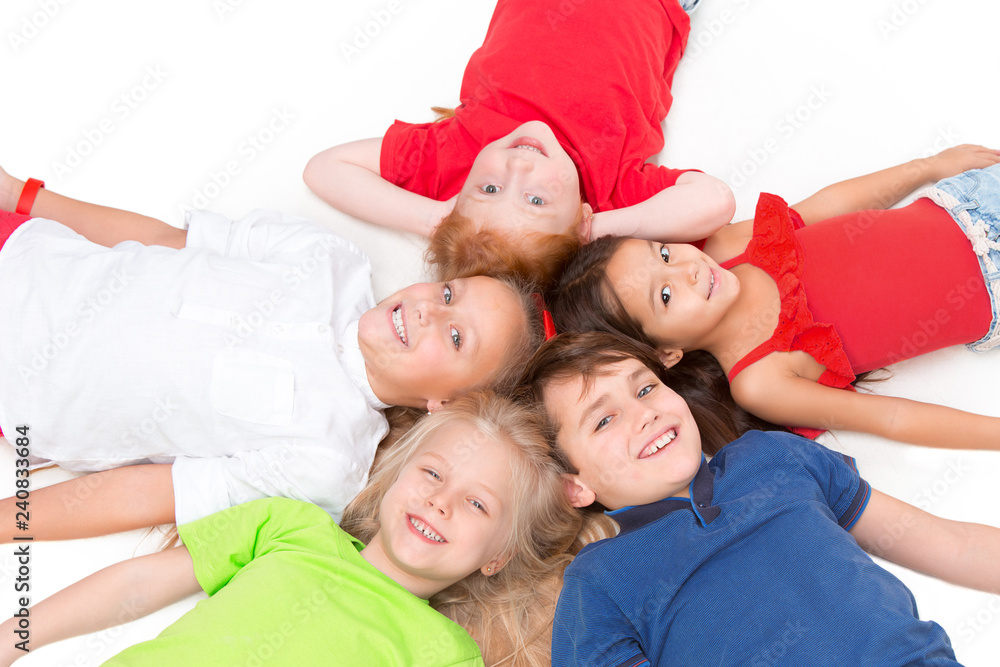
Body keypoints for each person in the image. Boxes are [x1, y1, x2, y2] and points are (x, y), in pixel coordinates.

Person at [0, 168, 543, 541]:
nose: (431, 310)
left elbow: (149, 493)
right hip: (23, 252)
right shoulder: (328, 258)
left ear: (445, 403)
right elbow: (161, 241)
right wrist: (20, 195)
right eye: (449, 294)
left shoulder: (328, 459)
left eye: (456, 338)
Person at [0, 391, 598, 666]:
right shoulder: (292, 525)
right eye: (433, 473)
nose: (440, 501)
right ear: (392, 477)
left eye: (477, 505)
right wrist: (13, 637)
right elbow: (139, 586)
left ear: (496, 558)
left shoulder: (448, 653)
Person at [521, 331, 1000, 666]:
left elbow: (949, 543)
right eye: (603, 420)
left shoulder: (773, 457)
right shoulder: (600, 579)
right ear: (574, 486)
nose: (643, 413)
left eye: (646, 388)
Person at [551, 144, 1000, 448]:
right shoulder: (758, 380)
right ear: (666, 353)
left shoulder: (730, 248)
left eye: (664, 252)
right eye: (665, 295)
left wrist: (929, 165)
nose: (687, 269)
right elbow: (889, 418)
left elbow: (829, 204)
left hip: (967, 202)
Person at [303, 0, 735, 289]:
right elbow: (715, 202)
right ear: (580, 218)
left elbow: (323, 169)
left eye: (489, 190)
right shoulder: (606, 193)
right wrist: (591, 232)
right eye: (536, 199)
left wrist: (439, 220)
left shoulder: (459, 154)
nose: (517, 169)